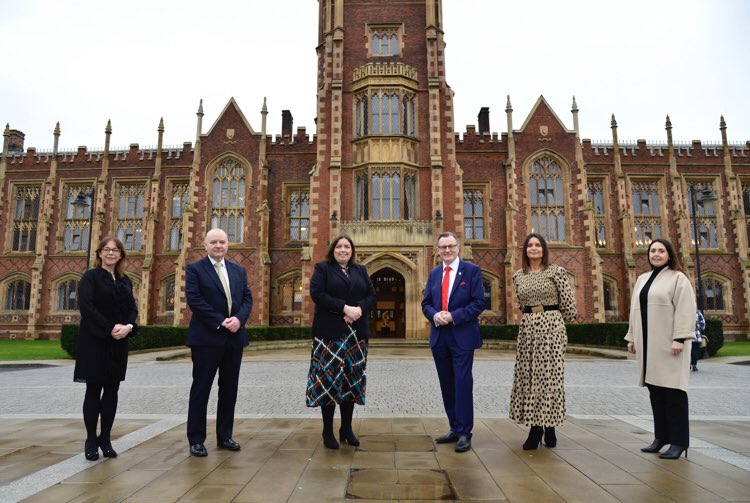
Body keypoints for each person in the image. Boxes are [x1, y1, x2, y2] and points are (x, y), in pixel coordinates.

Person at [625, 238, 696, 460]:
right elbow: (634, 310)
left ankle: (679, 442)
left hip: (670, 345)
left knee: (674, 393)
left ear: (669, 254)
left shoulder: (678, 279)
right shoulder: (642, 279)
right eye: (652, 251)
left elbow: (686, 309)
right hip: (649, 345)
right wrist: (632, 337)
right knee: (656, 392)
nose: (656, 254)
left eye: (661, 251)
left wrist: (680, 338)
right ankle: (661, 437)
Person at [185, 228, 253, 457]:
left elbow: (246, 298)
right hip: (206, 339)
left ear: (227, 245)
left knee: (229, 390)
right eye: (213, 242)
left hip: (234, 338)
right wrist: (222, 321)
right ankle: (196, 439)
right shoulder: (195, 269)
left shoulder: (238, 270)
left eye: (222, 242)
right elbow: (194, 299)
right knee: (201, 390)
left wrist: (239, 319)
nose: (218, 246)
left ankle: (225, 436)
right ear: (205, 245)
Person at [306, 234, 376, 449]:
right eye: (339, 247)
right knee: (328, 382)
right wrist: (344, 308)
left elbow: (371, 296)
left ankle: (346, 428)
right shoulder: (323, 269)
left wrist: (358, 311)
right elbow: (317, 293)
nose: (343, 250)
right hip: (330, 335)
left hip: (355, 335)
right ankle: (327, 431)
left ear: (352, 250)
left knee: (351, 381)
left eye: (347, 247)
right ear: (333, 250)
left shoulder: (360, 270)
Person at [509, 233, 577, 450]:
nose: (534, 248)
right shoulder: (518, 275)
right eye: (530, 245)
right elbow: (521, 303)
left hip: (551, 326)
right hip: (528, 327)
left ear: (544, 249)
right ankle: (544, 426)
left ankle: (541, 427)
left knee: (549, 377)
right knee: (530, 377)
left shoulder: (556, 272)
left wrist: (553, 322)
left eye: (538, 245)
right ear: (525, 250)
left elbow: (569, 305)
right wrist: (533, 317)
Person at [74, 237, 138, 461]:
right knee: (93, 391)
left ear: (121, 255)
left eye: (115, 250)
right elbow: (87, 308)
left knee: (112, 392)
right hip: (95, 340)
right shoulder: (90, 277)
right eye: (107, 250)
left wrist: (128, 327)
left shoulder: (124, 280)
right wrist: (110, 327)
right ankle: (91, 439)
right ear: (100, 253)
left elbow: (132, 308)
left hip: (119, 342)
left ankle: (106, 438)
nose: (111, 253)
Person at [421, 232, 485, 453]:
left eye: (450, 246)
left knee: (462, 383)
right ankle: (455, 428)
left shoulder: (472, 271)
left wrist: (453, 316)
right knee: (447, 384)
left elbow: (478, 303)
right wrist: (434, 315)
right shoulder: (434, 273)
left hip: (462, 335)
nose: (447, 250)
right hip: (440, 336)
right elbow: (426, 302)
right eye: (442, 247)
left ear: (458, 247)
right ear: (437, 251)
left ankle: (465, 433)